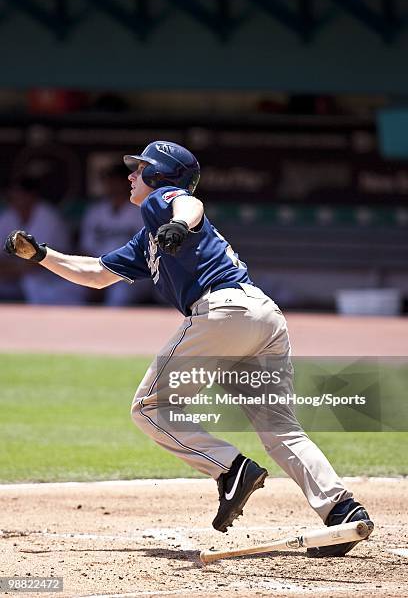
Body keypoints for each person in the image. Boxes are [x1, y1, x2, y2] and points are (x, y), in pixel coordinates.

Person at [4, 140, 371, 556]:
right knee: (280, 429)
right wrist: (42, 255)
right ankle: (342, 510)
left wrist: (177, 224)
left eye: (138, 169)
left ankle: (230, 469)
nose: (130, 176)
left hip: (224, 311)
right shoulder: (148, 239)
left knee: (149, 408)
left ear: (159, 174)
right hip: (261, 316)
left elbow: (188, 206)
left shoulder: (162, 202)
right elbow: (95, 273)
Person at [0, 178, 85, 305]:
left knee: (31, 281)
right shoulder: (8, 216)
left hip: (55, 276)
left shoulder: (48, 217)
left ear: (31, 195)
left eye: (20, 193)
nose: (16, 198)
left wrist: (12, 269)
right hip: (15, 274)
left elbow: (40, 261)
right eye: (13, 194)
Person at [80, 164, 155, 306]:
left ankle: (109, 328)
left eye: (115, 180)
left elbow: (148, 251)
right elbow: (85, 248)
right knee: (71, 287)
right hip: (98, 267)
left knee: (120, 294)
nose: (111, 185)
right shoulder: (95, 211)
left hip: (133, 273)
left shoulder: (141, 210)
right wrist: (93, 276)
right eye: (108, 181)